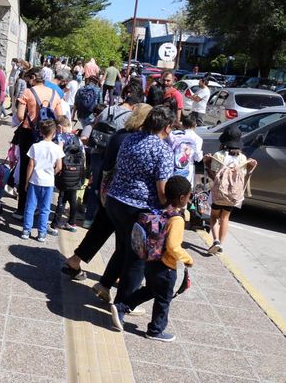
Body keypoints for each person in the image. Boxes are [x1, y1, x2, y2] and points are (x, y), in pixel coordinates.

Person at [61, 104, 152, 281]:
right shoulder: (136, 140)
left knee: (100, 229)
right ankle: (113, 276)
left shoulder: (119, 135)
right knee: (122, 238)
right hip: (123, 194)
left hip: (107, 190)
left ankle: (75, 260)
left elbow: (107, 165)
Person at [97, 106, 175, 306]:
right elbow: (161, 188)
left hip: (115, 201)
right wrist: (171, 208)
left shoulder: (129, 139)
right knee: (137, 260)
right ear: (167, 127)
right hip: (139, 209)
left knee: (124, 247)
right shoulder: (162, 150)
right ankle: (122, 304)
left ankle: (104, 284)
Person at [110, 176, 194, 342]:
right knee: (164, 299)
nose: (189, 199)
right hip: (166, 267)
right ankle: (155, 330)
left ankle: (122, 306)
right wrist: (187, 258)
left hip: (150, 262)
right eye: (189, 196)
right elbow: (173, 246)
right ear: (182, 198)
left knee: (151, 290)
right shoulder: (176, 219)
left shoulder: (160, 211)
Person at [82, 91, 141, 227]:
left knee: (94, 185)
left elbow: (95, 124)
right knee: (108, 187)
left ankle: (88, 218)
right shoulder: (131, 117)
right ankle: (101, 221)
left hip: (97, 151)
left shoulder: (108, 109)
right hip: (114, 156)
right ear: (135, 106)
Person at [14, 67, 64, 219]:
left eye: (29, 78)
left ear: (34, 77)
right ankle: (39, 209)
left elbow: (20, 115)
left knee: (25, 169)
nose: (29, 81)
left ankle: (22, 209)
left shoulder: (28, 92)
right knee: (44, 169)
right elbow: (61, 118)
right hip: (48, 135)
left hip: (29, 133)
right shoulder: (55, 94)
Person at [204, 125, 257, 255]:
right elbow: (242, 176)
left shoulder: (218, 155)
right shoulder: (242, 158)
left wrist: (207, 163)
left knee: (213, 216)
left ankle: (215, 240)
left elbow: (214, 176)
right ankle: (221, 245)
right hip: (233, 195)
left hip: (219, 194)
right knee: (225, 218)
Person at [21, 119, 65, 242]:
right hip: (49, 182)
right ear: (54, 132)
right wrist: (52, 173)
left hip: (35, 181)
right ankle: (41, 233)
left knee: (30, 206)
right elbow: (59, 166)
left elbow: (30, 165)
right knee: (45, 209)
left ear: (41, 132)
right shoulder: (57, 148)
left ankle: (26, 230)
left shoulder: (35, 146)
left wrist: (27, 181)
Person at [50, 115, 84, 234]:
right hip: (76, 173)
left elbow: (56, 155)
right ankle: (72, 223)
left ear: (59, 127)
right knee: (72, 199)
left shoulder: (60, 137)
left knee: (62, 198)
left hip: (65, 172)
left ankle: (54, 225)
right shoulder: (77, 138)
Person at [168, 114, 204, 187]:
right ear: (195, 125)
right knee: (186, 188)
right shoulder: (198, 139)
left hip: (174, 166)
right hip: (188, 167)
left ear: (183, 125)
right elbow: (198, 158)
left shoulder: (174, 135)